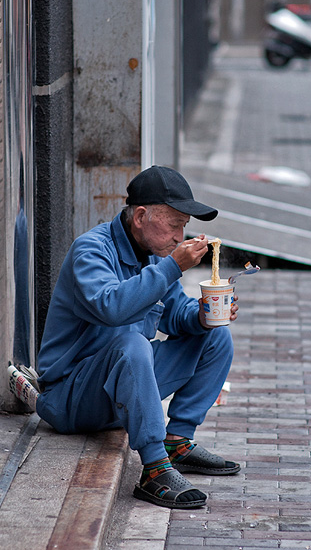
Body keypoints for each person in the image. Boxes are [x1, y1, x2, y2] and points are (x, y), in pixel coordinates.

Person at [36, 165, 240, 509]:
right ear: (141, 216)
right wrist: (173, 266)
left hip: (124, 391)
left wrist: (205, 315)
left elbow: (176, 315)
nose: (180, 236)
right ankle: (154, 468)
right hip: (72, 398)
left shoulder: (154, 257)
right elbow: (111, 308)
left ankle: (177, 441)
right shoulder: (92, 250)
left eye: (184, 227)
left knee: (215, 336)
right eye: (174, 224)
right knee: (132, 345)